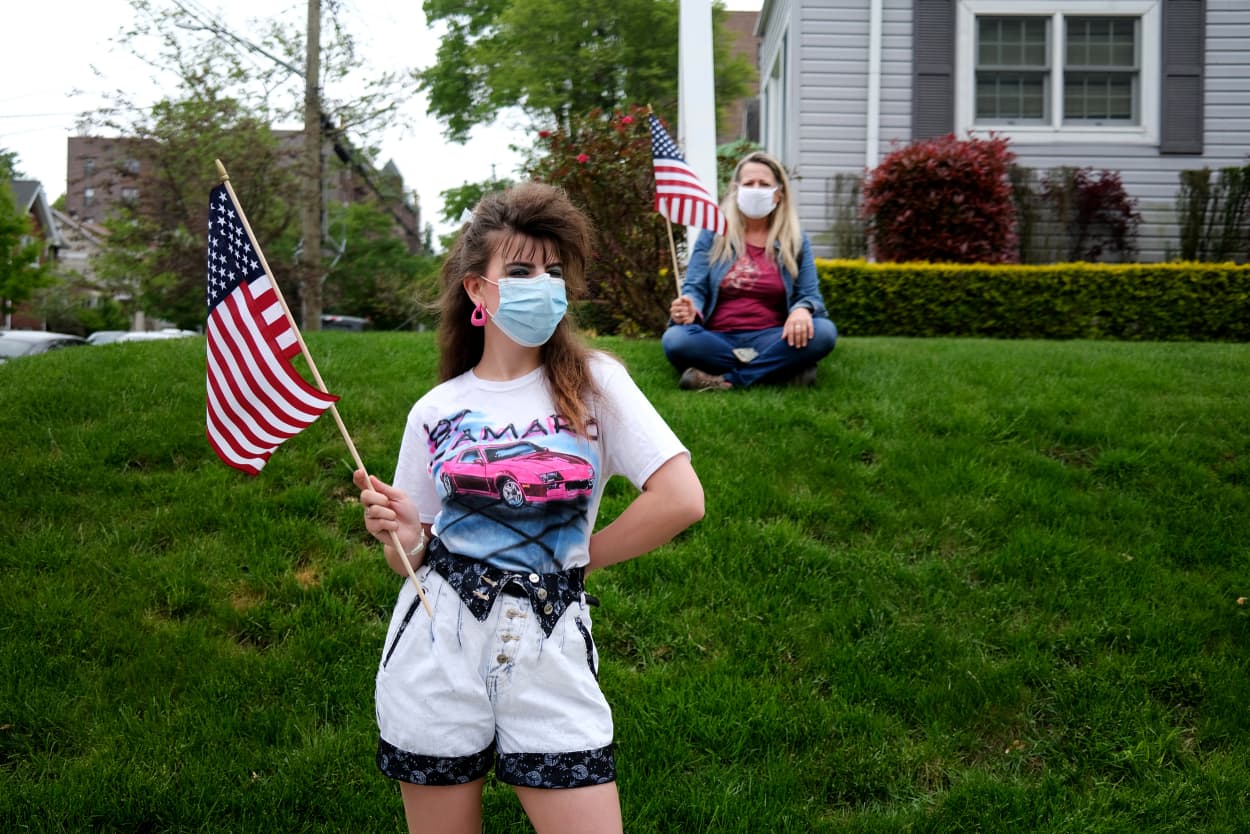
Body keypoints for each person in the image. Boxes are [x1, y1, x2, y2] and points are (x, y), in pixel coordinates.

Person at [354, 181, 704, 834]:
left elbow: (682, 498)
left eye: (551, 271)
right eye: (519, 271)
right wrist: (402, 535)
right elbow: (411, 559)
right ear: (477, 290)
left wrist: (575, 562)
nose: (540, 284)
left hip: (548, 649)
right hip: (436, 650)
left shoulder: (595, 383)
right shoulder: (437, 410)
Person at [661, 150, 837, 391]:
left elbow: (810, 295)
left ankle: (727, 380)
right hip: (717, 337)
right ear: (736, 190)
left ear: (778, 195)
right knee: (676, 339)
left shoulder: (795, 239)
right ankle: (782, 370)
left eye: (764, 184)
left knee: (824, 333)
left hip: (774, 336)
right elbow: (695, 287)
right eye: (749, 183)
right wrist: (690, 306)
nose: (756, 189)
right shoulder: (714, 234)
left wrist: (802, 310)